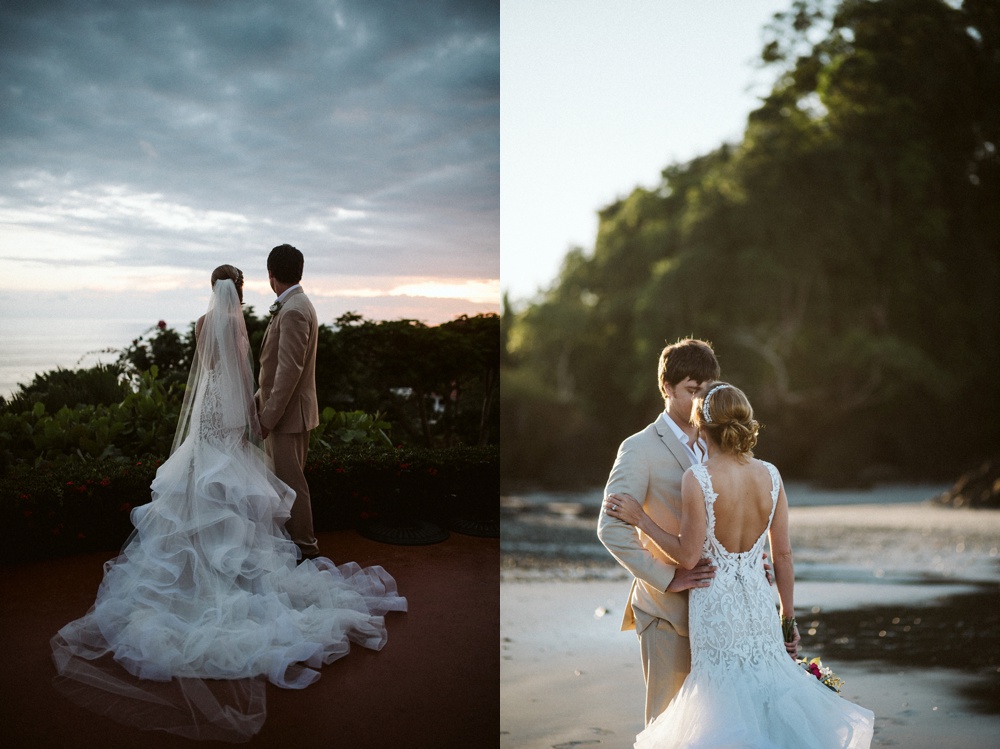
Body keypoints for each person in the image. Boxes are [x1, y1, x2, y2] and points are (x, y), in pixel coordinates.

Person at [50, 265, 406, 742]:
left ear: (209, 289)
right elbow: (241, 370)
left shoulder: (201, 322)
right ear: (237, 289)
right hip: (231, 410)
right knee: (236, 488)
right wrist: (252, 416)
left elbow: (206, 371)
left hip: (207, 412)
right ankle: (233, 565)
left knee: (200, 483)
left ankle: (195, 565)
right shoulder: (238, 321)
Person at [604, 383, 874, 748]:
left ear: (701, 427)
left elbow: (687, 556)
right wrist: (788, 619)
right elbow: (783, 556)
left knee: (720, 702)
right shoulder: (772, 476)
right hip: (760, 608)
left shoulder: (697, 478)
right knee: (765, 695)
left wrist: (641, 520)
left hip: (716, 608)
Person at [597, 338, 724, 724]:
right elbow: (611, 529)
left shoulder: (718, 444)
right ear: (666, 388)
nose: (701, 401)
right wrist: (669, 579)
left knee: (713, 726)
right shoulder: (639, 448)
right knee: (667, 727)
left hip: (719, 611)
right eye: (691, 390)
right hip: (666, 615)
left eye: (707, 391)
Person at [256, 244, 321, 560]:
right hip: (288, 413)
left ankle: (306, 549)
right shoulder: (294, 303)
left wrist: (267, 418)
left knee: (292, 486)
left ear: (271, 275)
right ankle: (294, 545)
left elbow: (288, 372)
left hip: (287, 417)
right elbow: (275, 370)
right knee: (287, 484)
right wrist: (258, 399)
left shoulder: (294, 309)